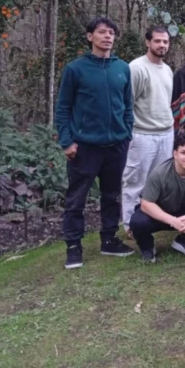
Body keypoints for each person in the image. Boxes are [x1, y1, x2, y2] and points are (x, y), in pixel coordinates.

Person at [56, 17, 134, 269]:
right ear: (90, 36)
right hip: (84, 147)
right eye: (102, 32)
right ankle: (73, 247)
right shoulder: (75, 69)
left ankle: (109, 240)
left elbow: (128, 106)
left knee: (111, 196)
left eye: (111, 33)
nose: (107, 37)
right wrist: (67, 142)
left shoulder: (122, 68)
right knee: (76, 198)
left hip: (116, 146)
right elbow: (63, 108)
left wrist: (126, 133)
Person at [128, 132, 185, 262]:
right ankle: (147, 248)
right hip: (159, 213)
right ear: (175, 154)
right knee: (137, 222)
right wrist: (173, 221)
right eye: (184, 152)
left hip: (183, 209)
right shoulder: (160, 173)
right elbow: (146, 204)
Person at [121, 27, 175, 232]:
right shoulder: (136, 68)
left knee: (159, 182)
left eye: (165, 42)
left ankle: (153, 222)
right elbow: (128, 104)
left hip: (165, 133)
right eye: (158, 41)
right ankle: (129, 226)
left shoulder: (167, 69)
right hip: (142, 134)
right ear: (148, 42)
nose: (162, 45)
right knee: (135, 181)